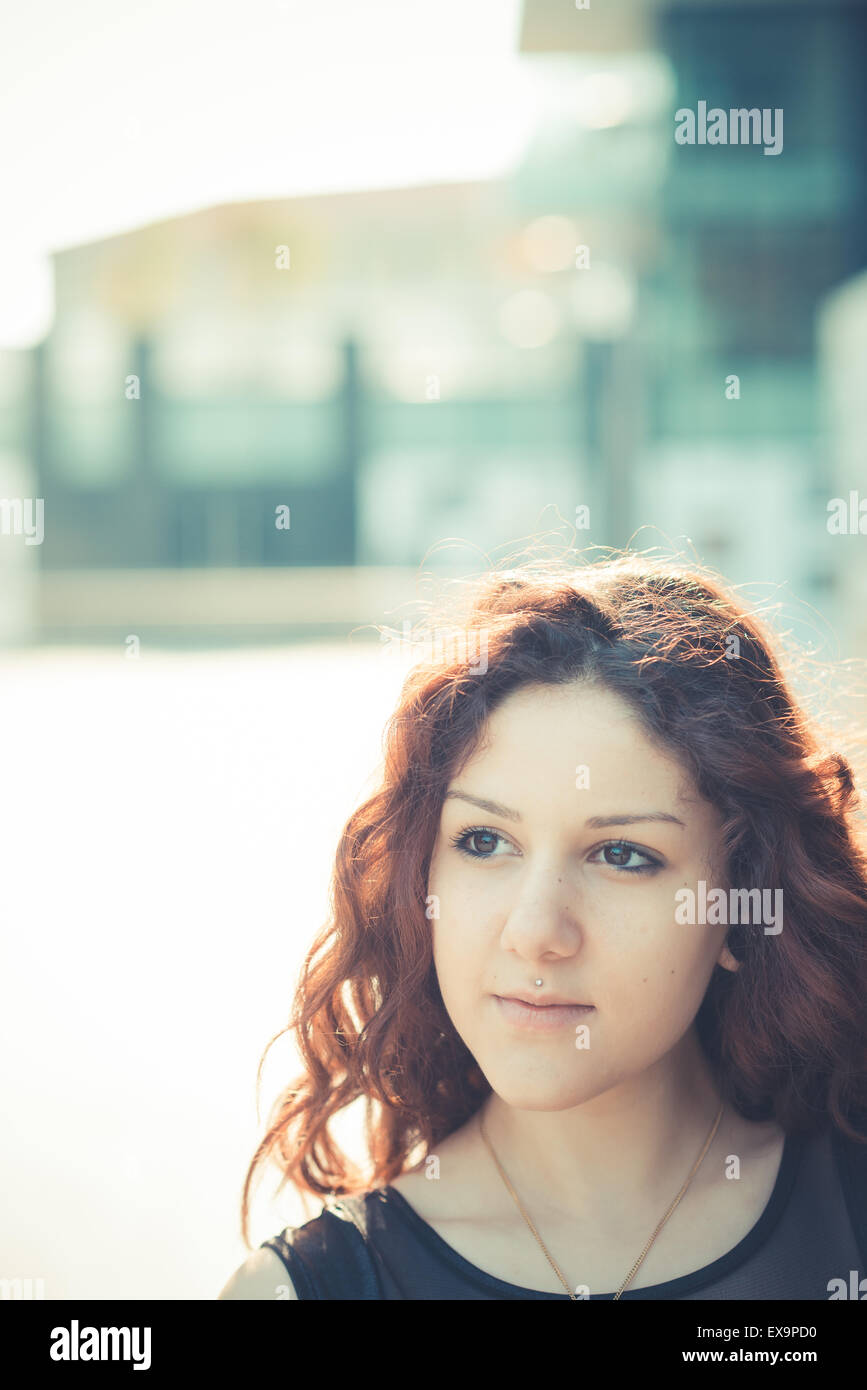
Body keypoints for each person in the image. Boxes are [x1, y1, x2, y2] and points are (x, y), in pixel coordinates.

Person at [219, 552, 867, 1300]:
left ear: (743, 901)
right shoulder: (305, 1289)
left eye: (621, 855)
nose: (533, 932)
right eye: (483, 842)